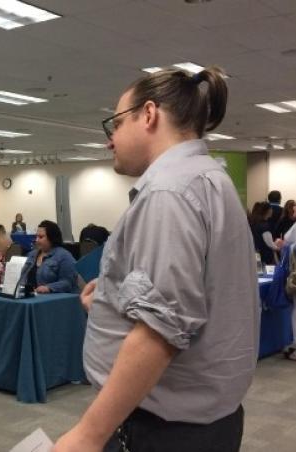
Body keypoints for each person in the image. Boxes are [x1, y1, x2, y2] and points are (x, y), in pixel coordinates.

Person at [54, 66, 258, 452]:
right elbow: (192, 300)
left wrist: (88, 435)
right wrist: (109, 303)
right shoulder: (210, 178)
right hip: (204, 423)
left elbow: (159, 332)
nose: (110, 140)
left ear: (148, 115)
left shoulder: (169, 192)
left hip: (163, 431)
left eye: (114, 123)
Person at [18, 220, 77, 294]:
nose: (36, 240)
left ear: (52, 238)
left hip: (53, 300)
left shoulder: (64, 256)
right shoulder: (31, 255)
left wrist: (49, 288)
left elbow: (68, 282)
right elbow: (21, 277)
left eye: (41, 237)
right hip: (31, 297)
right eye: (36, 236)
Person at [249, 201, 277, 265]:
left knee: (258, 272)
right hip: (264, 255)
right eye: (271, 209)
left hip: (256, 252)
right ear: (268, 211)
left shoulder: (255, 222)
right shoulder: (265, 226)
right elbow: (269, 243)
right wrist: (279, 247)